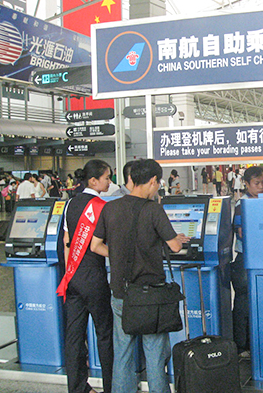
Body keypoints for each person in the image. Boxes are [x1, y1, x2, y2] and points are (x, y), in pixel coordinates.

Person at [91, 159, 190, 393]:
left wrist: (117, 256)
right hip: (150, 296)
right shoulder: (153, 209)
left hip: (120, 293)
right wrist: (178, 238)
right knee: (155, 356)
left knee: (122, 354)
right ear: (153, 181)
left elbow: (96, 245)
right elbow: (174, 247)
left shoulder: (110, 207)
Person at [57, 160, 114, 393]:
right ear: (94, 181)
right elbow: (100, 244)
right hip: (95, 277)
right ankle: (111, 386)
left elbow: (66, 242)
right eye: (107, 178)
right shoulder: (102, 206)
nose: (109, 182)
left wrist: (69, 274)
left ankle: (78, 388)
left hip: (73, 278)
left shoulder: (69, 204)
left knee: (74, 336)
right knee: (104, 334)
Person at [231, 166, 263, 358]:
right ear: (246, 184)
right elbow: (242, 233)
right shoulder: (241, 206)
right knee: (243, 303)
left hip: (262, 257)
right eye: (256, 183)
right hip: (245, 259)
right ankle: (242, 344)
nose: (261, 187)